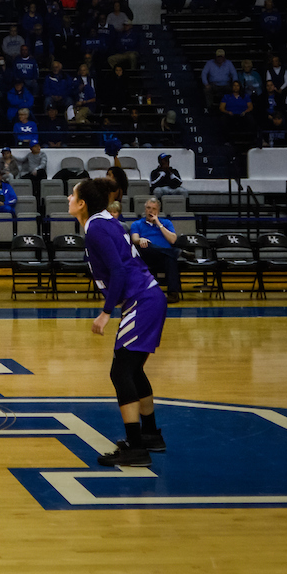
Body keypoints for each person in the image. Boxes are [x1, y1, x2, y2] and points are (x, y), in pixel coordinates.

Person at [68, 178, 168, 467]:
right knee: (132, 368)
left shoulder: (97, 228)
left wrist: (105, 312)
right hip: (147, 297)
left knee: (120, 371)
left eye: (72, 195)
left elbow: (118, 271)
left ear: (82, 203)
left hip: (141, 299)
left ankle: (136, 449)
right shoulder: (105, 222)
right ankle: (150, 435)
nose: (68, 199)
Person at [130, 197, 182, 303]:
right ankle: (177, 252)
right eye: (148, 208)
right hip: (147, 256)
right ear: (145, 209)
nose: (151, 211)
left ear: (158, 210)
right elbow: (134, 239)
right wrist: (140, 239)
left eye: (154, 209)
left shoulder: (166, 223)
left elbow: (172, 240)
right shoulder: (137, 224)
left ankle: (173, 295)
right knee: (147, 245)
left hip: (164, 259)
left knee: (170, 258)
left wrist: (158, 223)